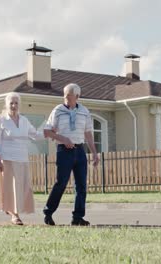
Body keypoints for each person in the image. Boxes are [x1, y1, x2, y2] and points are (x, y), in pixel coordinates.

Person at [43, 83, 99, 226]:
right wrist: (64, 139)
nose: (65, 98)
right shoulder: (58, 110)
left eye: (68, 95)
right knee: (61, 183)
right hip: (64, 151)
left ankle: (78, 217)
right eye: (64, 95)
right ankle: (48, 213)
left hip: (80, 151)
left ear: (77, 96)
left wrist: (94, 153)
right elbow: (47, 131)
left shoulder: (85, 112)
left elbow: (88, 134)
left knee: (81, 186)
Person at [0, 92, 44, 225]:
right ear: (6, 105)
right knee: (11, 188)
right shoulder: (2, 121)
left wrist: (49, 132)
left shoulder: (24, 120)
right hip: (7, 159)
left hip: (22, 158)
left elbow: (35, 135)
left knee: (23, 187)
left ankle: (12, 210)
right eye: (11, 103)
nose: (14, 106)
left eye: (16, 103)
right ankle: (15, 215)